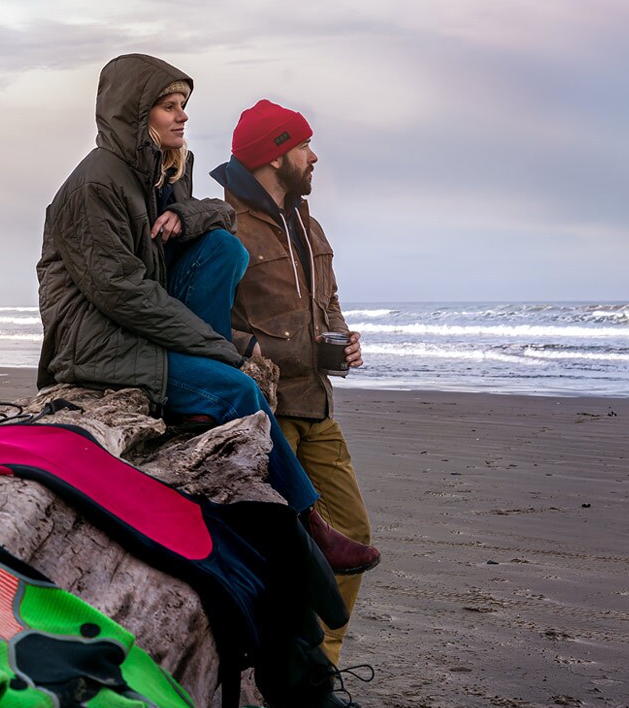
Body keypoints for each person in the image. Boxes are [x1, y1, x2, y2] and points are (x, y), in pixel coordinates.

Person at [35, 54, 377, 575]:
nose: (183, 117)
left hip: (145, 329)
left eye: (183, 105)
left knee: (223, 248)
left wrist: (182, 211)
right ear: (135, 114)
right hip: (101, 341)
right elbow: (121, 294)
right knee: (240, 388)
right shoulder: (94, 185)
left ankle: (203, 392)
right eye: (169, 107)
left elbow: (219, 214)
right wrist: (224, 350)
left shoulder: (165, 170)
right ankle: (309, 524)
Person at [212, 100, 381, 708]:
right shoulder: (225, 225)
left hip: (316, 407)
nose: (314, 157)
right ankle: (284, 686)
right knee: (280, 556)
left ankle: (317, 679)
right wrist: (255, 349)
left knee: (351, 536)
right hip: (265, 413)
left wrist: (343, 338)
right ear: (274, 153)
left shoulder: (306, 223)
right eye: (305, 146)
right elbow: (204, 320)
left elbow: (327, 304)